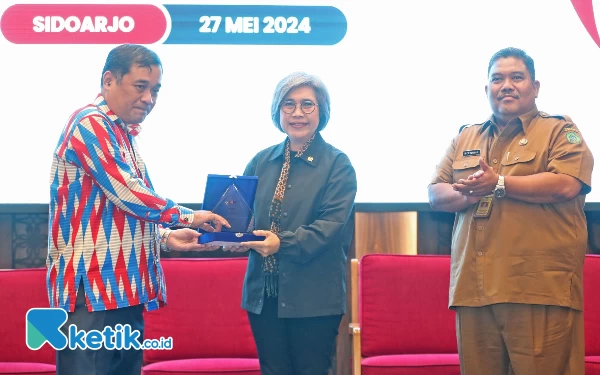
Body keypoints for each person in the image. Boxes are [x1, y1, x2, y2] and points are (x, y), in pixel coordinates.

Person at [47, 44, 230, 375]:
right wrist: (189, 216)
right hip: (93, 294)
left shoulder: (122, 133)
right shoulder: (89, 123)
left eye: (156, 90)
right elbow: (128, 193)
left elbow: (117, 211)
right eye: (141, 86)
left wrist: (165, 238)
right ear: (109, 81)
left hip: (123, 292)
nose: (149, 99)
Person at [428, 47, 594, 374]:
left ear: (535, 87)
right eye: (497, 79)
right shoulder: (466, 136)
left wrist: (500, 184)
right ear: (486, 88)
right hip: (473, 290)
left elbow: (566, 184)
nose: (506, 85)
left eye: (517, 77)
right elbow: (436, 193)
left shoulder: (560, 130)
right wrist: (470, 193)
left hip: (536, 286)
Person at [225, 72, 357, 375]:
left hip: (314, 298)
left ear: (321, 111)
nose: (298, 113)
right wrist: (228, 235)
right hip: (263, 296)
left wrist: (280, 242)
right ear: (277, 111)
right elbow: (242, 221)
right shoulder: (260, 161)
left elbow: (329, 227)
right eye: (289, 104)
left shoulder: (338, 165)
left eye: (307, 104)